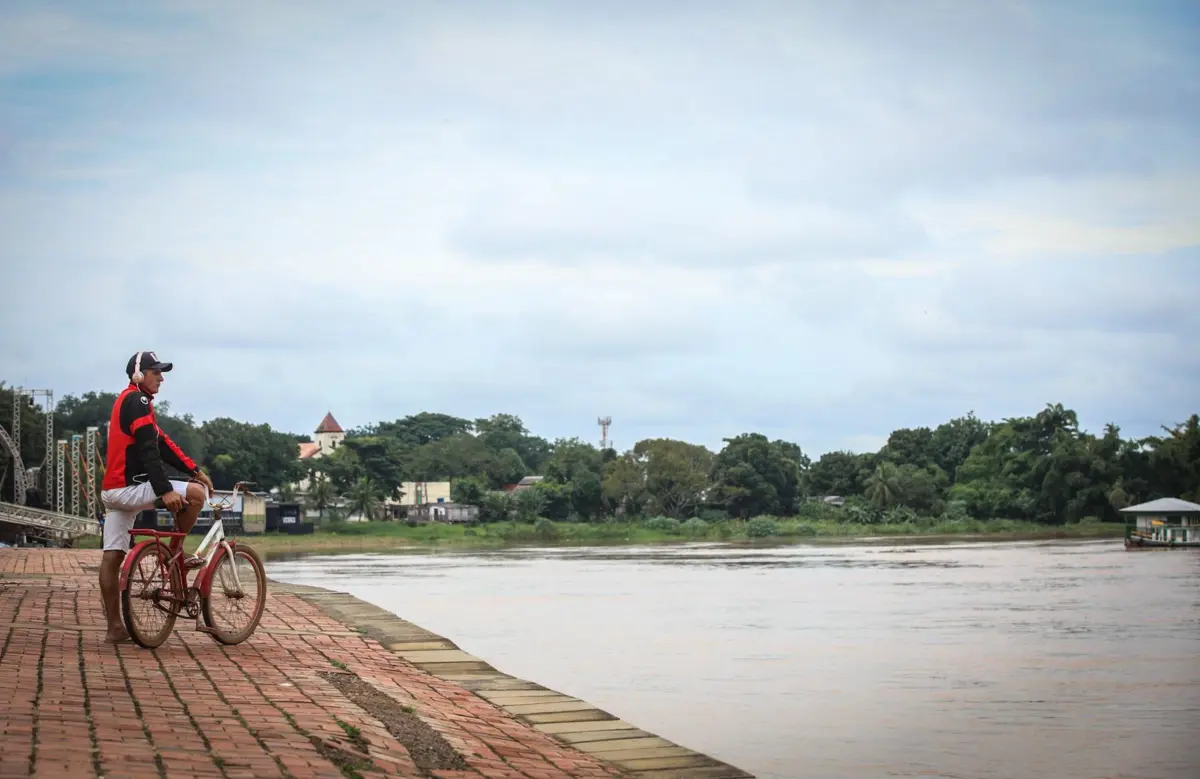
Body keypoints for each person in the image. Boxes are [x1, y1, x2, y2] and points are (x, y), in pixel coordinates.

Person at [98, 351, 214, 643]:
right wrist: (165, 490)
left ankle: (114, 628)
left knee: (112, 556)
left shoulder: (129, 402)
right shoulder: (137, 401)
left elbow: (161, 443)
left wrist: (194, 469)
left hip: (112, 492)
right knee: (196, 495)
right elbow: (151, 453)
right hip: (130, 488)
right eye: (156, 372)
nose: (161, 378)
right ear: (139, 375)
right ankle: (175, 556)